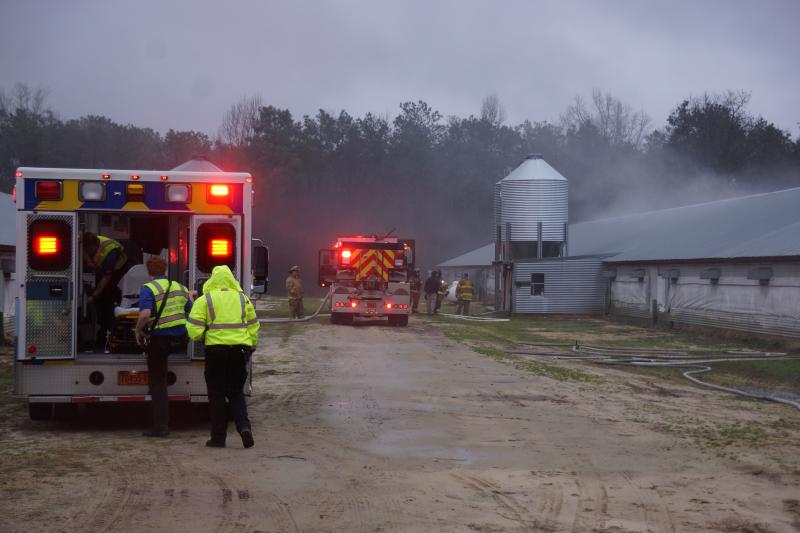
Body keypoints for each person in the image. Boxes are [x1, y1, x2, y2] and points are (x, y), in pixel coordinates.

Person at [186, 265, 259, 449]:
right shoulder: (243, 299)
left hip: (215, 351)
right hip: (239, 350)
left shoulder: (206, 299)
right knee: (236, 392)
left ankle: (218, 438)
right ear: (231, 280)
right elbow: (253, 324)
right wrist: (252, 343)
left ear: (213, 280)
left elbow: (193, 327)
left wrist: (202, 336)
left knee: (216, 395)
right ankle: (244, 427)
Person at [134, 256, 193, 438]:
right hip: (181, 340)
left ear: (149, 272)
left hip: (160, 341)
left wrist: (137, 330)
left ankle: (160, 427)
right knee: (160, 375)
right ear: (166, 270)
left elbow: (145, 314)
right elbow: (190, 310)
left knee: (158, 384)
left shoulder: (148, 289)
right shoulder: (179, 287)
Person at [83, 232, 130, 352]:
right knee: (101, 302)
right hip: (103, 271)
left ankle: (108, 337)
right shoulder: (94, 241)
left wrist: (93, 296)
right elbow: (84, 251)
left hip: (119, 273)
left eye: (88, 250)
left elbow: (106, 279)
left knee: (107, 301)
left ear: (93, 247)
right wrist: (88, 260)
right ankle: (101, 334)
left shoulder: (111, 254)